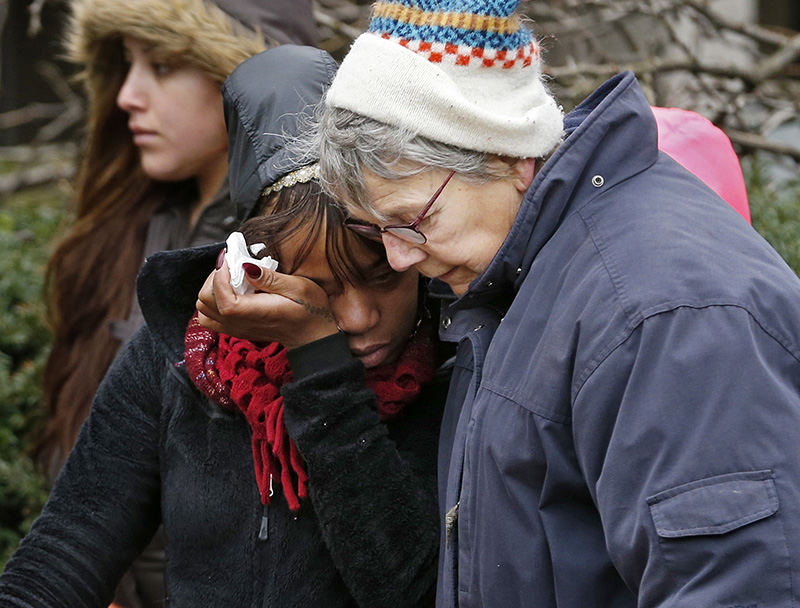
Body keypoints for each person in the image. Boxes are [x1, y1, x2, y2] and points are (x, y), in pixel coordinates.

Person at [308, 0, 800, 606]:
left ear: (509, 154)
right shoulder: (516, 274)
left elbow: (737, 586)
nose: (401, 258)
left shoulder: (665, 310)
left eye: (413, 221)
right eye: (372, 230)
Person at [0, 46, 445, 607]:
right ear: (255, 271)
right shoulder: (182, 362)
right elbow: (69, 548)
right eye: (321, 291)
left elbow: (414, 590)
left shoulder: (457, 370)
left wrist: (321, 362)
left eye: (382, 279)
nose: (358, 318)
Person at [33, 2, 316, 605]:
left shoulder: (292, 264)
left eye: (161, 65)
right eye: (125, 66)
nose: (127, 97)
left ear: (239, 76)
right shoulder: (117, 236)